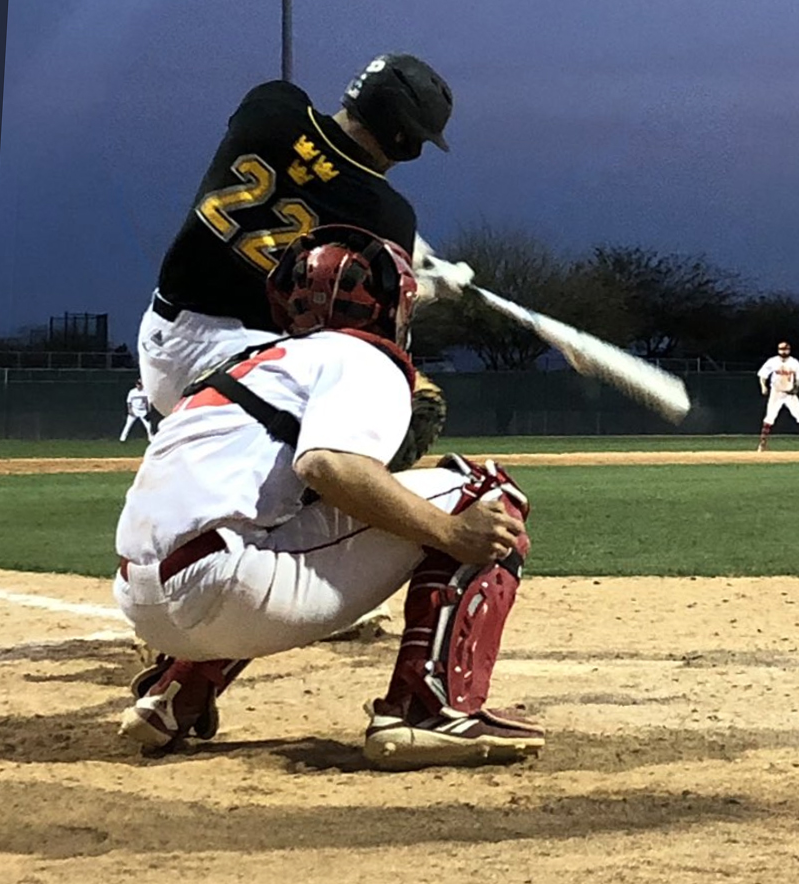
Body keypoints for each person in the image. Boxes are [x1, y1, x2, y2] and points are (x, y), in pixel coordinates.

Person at [114, 226, 542, 769]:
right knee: (485, 495)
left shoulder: (249, 359)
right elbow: (328, 464)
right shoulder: (362, 356)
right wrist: (449, 533)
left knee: (283, 515)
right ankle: (428, 710)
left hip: (139, 597)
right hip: (226, 591)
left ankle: (176, 696)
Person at [136, 53, 472, 639]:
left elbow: (310, 180)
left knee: (249, 466)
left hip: (162, 338)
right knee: (399, 408)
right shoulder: (386, 211)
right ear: (402, 136)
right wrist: (430, 287)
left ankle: (231, 568)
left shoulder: (272, 107)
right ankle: (298, 572)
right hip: (233, 358)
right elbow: (366, 297)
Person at [757, 341, 799, 451]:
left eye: (785, 349)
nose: (783, 351)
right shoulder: (773, 361)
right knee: (770, 417)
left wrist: (796, 388)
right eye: (782, 349)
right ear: (778, 350)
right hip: (776, 392)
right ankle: (762, 444)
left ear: (789, 350)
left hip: (789, 393)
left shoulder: (794, 363)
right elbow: (762, 375)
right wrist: (763, 386)